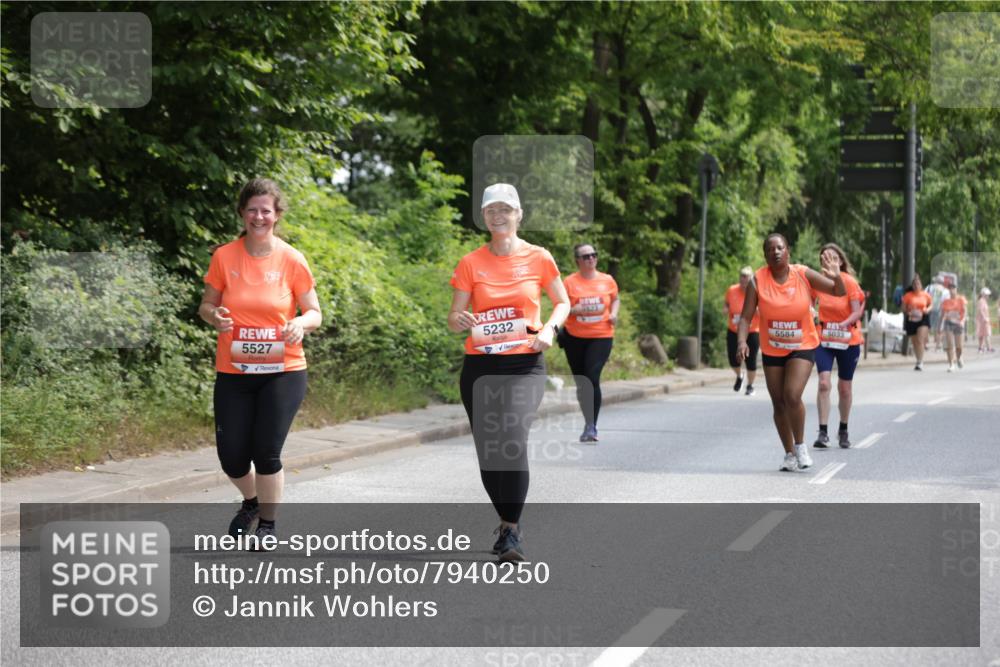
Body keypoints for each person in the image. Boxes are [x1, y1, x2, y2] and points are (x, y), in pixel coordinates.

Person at [448, 183, 569, 561]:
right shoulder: (471, 262)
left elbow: (562, 302)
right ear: (483, 217)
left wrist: (550, 329)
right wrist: (461, 319)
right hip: (481, 367)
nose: (498, 216)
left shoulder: (539, 257)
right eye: (490, 210)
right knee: (489, 452)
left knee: (513, 438)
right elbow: (453, 320)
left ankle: (511, 531)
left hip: (524, 362)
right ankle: (504, 522)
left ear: (518, 214)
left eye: (505, 209)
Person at [199, 178, 322, 543]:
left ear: (277, 215)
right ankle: (251, 501)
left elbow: (314, 311)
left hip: (283, 371)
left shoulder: (291, 259)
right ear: (242, 213)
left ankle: (267, 525)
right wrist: (214, 316)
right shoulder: (224, 256)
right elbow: (206, 305)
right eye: (252, 209)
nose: (258, 216)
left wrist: (300, 323)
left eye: (265, 210)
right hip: (234, 370)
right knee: (233, 458)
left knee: (266, 452)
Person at [736, 233, 845, 472]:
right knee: (778, 403)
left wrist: (837, 277)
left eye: (780, 248)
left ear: (788, 252)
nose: (775, 252)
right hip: (773, 348)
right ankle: (788, 454)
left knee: (792, 395)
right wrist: (742, 342)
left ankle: (800, 445)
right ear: (765, 256)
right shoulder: (757, 280)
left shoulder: (803, 274)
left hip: (802, 345)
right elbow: (745, 318)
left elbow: (838, 292)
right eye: (770, 249)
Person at [562, 243, 619, 442]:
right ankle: (587, 421)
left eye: (594, 255)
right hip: (574, 337)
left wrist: (613, 313)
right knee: (581, 382)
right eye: (586, 257)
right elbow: (560, 305)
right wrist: (572, 310)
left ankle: (591, 426)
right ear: (577, 260)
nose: (591, 259)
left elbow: (615, 299)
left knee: (591, 377)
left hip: (601, 335)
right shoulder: (569, 282)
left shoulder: (607, 280)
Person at [811, 244, 865, 449]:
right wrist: (810, 311)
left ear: (840, 261)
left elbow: (856, 311)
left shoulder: (849, 282)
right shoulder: (818, 281)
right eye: (825, 258)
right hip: (825, 338)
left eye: (833, 258)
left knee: (844, 388)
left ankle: (843, 429)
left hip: (847, 338)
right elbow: (809, 301)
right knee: (824, 383)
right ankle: (822, 432)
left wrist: (843, 323)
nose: (829, 261)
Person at [724, 267, 760, 396]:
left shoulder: (756, 291)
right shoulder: (732, 290)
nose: (744, 279)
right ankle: (740, 376)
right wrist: (725, 309)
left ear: (751, 278)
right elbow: (727, 304)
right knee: (733, 359)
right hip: (734, 330)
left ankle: (750, 386)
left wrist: (757, 311)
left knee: (751, 360)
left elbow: (763, 311)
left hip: (752, 331)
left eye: (747, 276)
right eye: (742, 276)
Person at [901, 275, 933, 370]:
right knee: (914, 342)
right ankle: (918, 359)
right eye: (914, 284)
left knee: (920, 339)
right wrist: (907, 311)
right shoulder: (907, 296)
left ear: (921, 285)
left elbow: (931, 305)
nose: (916, 286)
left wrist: (927, 309)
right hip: (911, 319)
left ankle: (920, 361)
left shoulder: (926, 295)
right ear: (912, 286)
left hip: (923, 318)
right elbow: (903, 307)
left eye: (918, 284)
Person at [939, 285, 968, 371]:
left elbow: (965, 311)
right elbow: (942, 314)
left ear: (956, 289)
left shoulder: (961, 299)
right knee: (950, 345)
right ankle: (951, 364)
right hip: (948, 323)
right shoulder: (946, 302)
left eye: (953, 289)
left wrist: (962, 321)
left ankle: (959, 358)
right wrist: (939, 327)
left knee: (959, 346)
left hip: (959, 324)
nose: (952, 291)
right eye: (950, 289)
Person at [927, 275, 948, 351]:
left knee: (928, 327)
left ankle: (925, 344)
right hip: (940, 310)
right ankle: (938, 346)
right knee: (939, 328)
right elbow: (947, 301)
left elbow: (924, 295)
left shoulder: (929, 287)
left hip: (930, 309)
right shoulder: (945, 290)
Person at [976, 287, 994, 353]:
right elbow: (980, 310)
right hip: (982, 321)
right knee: (986, 334)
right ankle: (988, 348)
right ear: (983, 294)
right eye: (987, 295)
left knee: (984, 334)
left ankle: (982, 348)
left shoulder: (984, 301)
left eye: (988, 295)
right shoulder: (981, 301)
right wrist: (984, 318)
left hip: (984, 320)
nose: (988, 296)